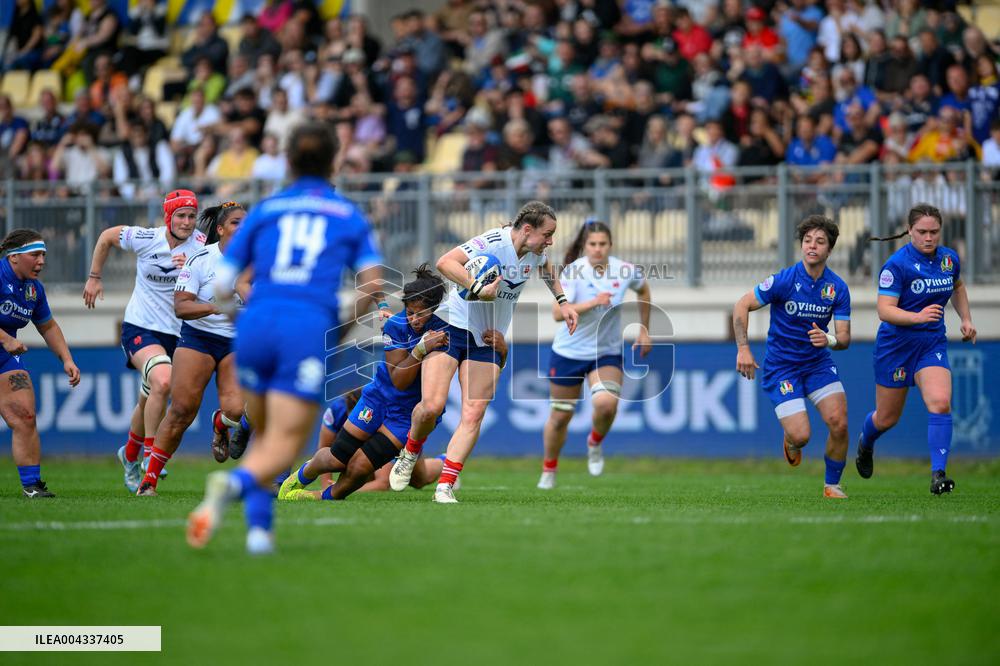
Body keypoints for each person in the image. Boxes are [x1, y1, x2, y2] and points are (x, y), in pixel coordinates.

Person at [186, 122, 385, 555]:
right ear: (333, 161)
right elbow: (373, 285)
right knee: (283, 444)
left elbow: (222, 284)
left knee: (262, 436)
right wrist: (339, 329)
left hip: (256, 324)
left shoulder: (264, 210)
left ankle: (259, 533)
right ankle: (232, 486)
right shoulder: (346, 214)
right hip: (306, 327)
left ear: (289, 161)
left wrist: (242, 321)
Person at [388, 201, 579, 503]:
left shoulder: (536, 252)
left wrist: (563, 301)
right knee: (431, 407)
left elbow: (548, 270)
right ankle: (411, 451)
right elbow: (445, 262)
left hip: (488, 340)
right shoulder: (493, 241)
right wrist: (477, 286)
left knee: (474, 412)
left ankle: (445, 485)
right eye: (548, 234)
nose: (551, 241)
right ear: (527, 230)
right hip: (451, 327)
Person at [279, 265, 457, 501]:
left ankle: (321, 497)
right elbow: (398, 381)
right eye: (410, 312)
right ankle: (296, 479)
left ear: (433, 310)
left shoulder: (445, 332)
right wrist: (420, 350)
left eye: (421, 313)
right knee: (337, 459)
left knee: (361, 468)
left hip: (406, 416)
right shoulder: (395, 326)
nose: (414, 319)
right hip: (379, 399)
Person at [84, 190, 206, 493]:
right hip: (141, 325)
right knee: (162, 381)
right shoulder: (145, 237)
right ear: (168, 217)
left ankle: (129, 454)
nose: (187, 222)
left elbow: (213, 289)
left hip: (179, 333)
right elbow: (106, 237)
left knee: (149, 395)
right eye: (180, 215)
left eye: (192, 216)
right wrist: (94, 277)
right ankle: (150, 453)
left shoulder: (202, 247)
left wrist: (191, 270)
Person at [856, 204, 976, 495]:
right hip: (895, 348)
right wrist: (918, 317)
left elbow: (958, 287)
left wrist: (966, 319)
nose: (929, 237)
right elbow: (885, 310)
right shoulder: (897, 265)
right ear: (909, 230)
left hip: (931, 344)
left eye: (934, 232)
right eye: (922, 231)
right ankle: (865, 443)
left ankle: (938, 475)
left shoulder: (949, 259)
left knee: (940, 402)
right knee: (886, 418)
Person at [733, 215, 852, 499]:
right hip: (782, 368)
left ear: (829, 250)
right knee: (801, 436)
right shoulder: (784, 280)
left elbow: (844, 338)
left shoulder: (837, 288)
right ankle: (790, 439)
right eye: (807, 240)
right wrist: (743, 348)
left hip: (817, 364)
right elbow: (742, 304)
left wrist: (829, 340)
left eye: (820, 242)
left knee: (839, 423)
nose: (812, 246)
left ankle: (832, 486)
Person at [135, 203, 250, 496]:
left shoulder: (259, 262)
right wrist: (215, 306)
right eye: (235, 223)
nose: (242, 228)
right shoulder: (201, 258)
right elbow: (181, 306)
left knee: (237, 410)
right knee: (182, 411)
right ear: (220, 229)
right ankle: (149, 480)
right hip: (200, 337)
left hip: (237, 340)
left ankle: (220, 423)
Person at [538, 221, 651, 490]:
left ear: (610, 245)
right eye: (592, 244)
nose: (598, 249)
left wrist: (644, 330)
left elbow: (643, 289)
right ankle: (549, 468)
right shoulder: (574, 272)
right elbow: (557, 313)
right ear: (585, 245)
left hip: (606, 352)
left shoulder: (625, 270)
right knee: (560, 417)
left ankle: (595, 442)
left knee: (606, 405)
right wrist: (593, 302)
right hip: (569, 352)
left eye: (602, 244)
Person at [0, 230, 81, 498]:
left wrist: (67, 359)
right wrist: (6, 339)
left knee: (25, 414)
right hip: (5, 346)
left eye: (43, 255)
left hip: (4, 356)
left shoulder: (33, 289)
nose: (41, 261)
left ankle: (32, 486)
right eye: (35, 254)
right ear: (13, 257)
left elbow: (47, 326)